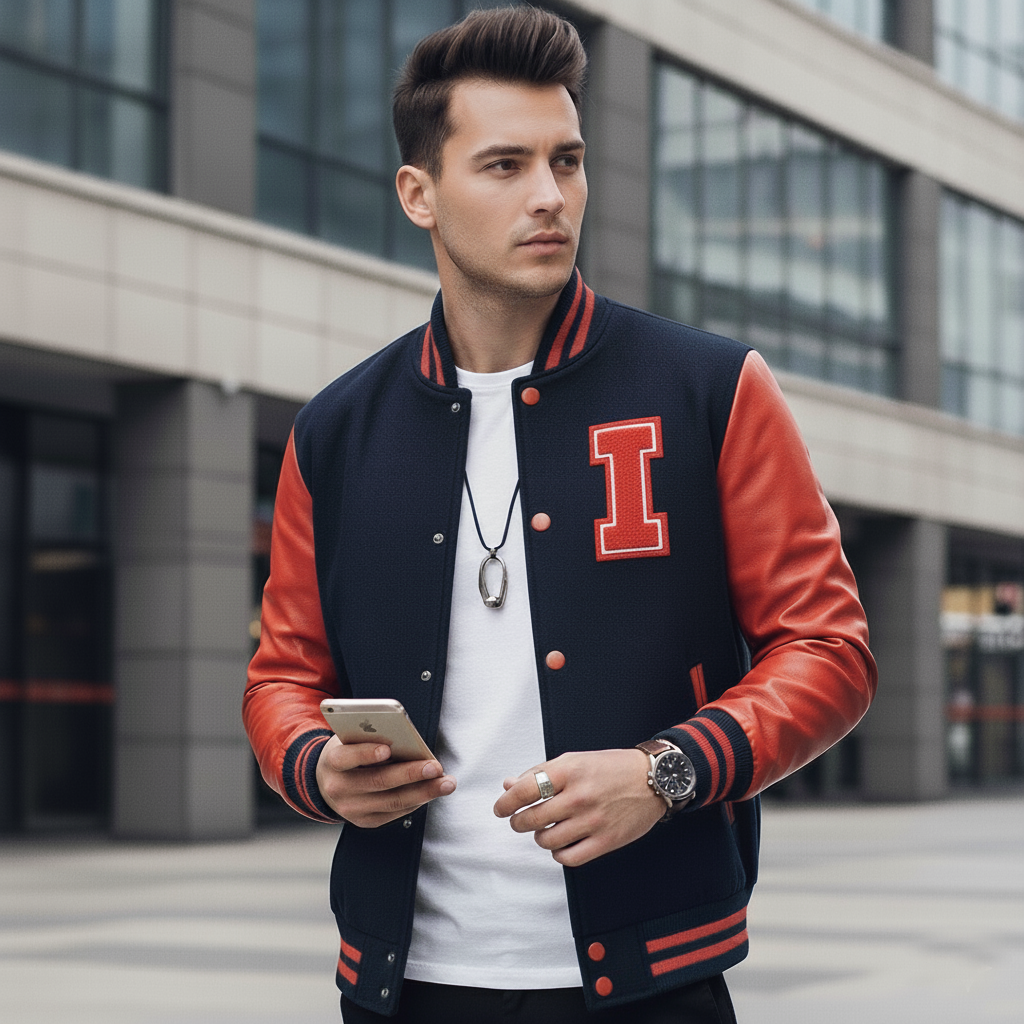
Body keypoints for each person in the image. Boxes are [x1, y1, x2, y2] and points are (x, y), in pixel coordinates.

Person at [243, 8, 876, 1023]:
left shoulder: (710, 389)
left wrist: (665, 770)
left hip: (652, 980)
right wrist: (319, 767)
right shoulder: (336, 432)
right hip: (404, 987)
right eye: (503, 166)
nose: (549, 197)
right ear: (419, 194)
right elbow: (282, 676)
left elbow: (827, 648)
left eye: (566, 160)